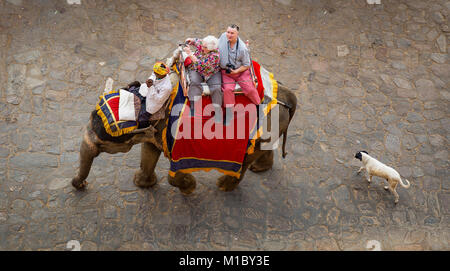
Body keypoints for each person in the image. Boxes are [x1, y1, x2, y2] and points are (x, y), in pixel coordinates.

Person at [218, 24, 261, 125]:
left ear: (237, 34)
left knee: (249, 89)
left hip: (241, 71)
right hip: (226, 72)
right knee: (227, 90)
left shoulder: (242, 48)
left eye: (232, 33)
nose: (229, 35)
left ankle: (258, 106)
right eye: (228, 32)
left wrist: (236, 71)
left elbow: (247, 65)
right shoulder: (223, 36)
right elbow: (213, 43)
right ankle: (229, 114)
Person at [183, 35, 222, 122]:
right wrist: (191, 40)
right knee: (194, 82)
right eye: (202, 45)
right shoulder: (204, 44)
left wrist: (189, 54)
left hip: (211, 72)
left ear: (211, 48)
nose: (201, 47)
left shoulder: (215, 55)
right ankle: (193, 106)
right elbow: (198, 41)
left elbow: (201, 65)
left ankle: (218, 111)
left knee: (216, 88)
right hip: (196, 69)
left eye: (204, 47)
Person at [136, 61, 173, 126]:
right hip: (148, 93)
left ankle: (145, 128)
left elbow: (159, 100)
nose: (154, 73)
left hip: (153, 104)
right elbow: (152, 76)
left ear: (162, 74)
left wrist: (151, 87)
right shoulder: (157, 73)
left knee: (141, 119)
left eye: (156, 73)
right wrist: (150, 80)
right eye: (154, 72)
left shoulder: (167, 87)